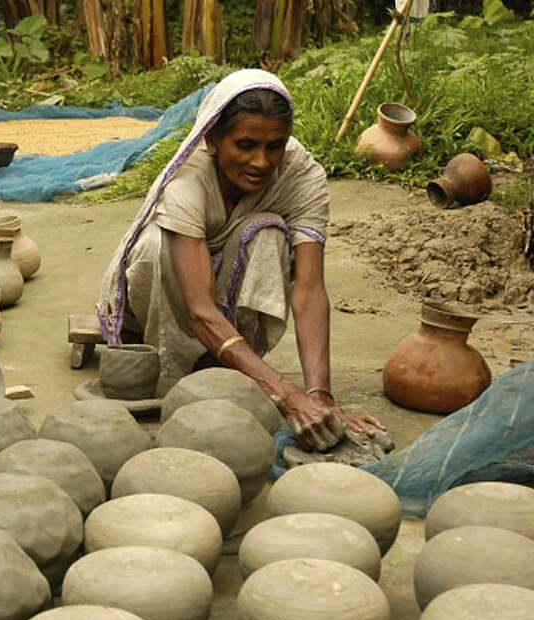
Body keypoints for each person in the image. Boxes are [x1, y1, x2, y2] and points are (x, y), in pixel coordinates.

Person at [96, 69, 383, 451]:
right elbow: (199, 308)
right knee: (153, 246)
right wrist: (283, 393)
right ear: (213, 140)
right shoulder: (188, 179)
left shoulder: (302, 176)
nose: (261, 162)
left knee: (268, 234)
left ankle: (235, 364)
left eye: (274, 146)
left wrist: (319, 397)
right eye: (245, 145)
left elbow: (310, 292)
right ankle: (173, 369)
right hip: (167, 300)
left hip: (226, 308)